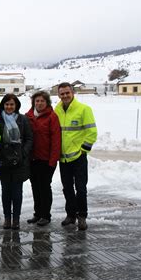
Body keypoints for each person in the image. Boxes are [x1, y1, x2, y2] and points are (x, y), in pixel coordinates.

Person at [55, 82, 97, 231]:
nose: (65, 96)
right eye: (62, 93)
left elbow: (91, 132)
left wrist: (83, 150)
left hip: (78, 157)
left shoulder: (84, 109)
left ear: (73, 93)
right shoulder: (57, 110)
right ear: (59, 95)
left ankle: (82, 217)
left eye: (67, 93)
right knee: (67, 188)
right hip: (63, 158)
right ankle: (70, 215)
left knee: (81, 188)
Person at [0, 94, 33, 230]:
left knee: (17, 192)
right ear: (3, 105)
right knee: (5, 191)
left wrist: (23, 153)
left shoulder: (23, 120)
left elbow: (29, 138)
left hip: (19, 162)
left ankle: (16, 219)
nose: (9, 107)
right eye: (7, 104)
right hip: (3, 161)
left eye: (12, 104)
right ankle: (7, 218)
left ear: (16, 105)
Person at [25, 91, 61, 226]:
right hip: (32, 159)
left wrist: (53, 161)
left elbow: (56, 140)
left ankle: (46, 215)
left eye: (42, 101)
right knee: (35, 187)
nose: (39, 103)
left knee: (44, 187)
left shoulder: (52, 117)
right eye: (37, 101)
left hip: (46, 160)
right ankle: (37, 213)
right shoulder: (28, 116)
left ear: (47, 103)